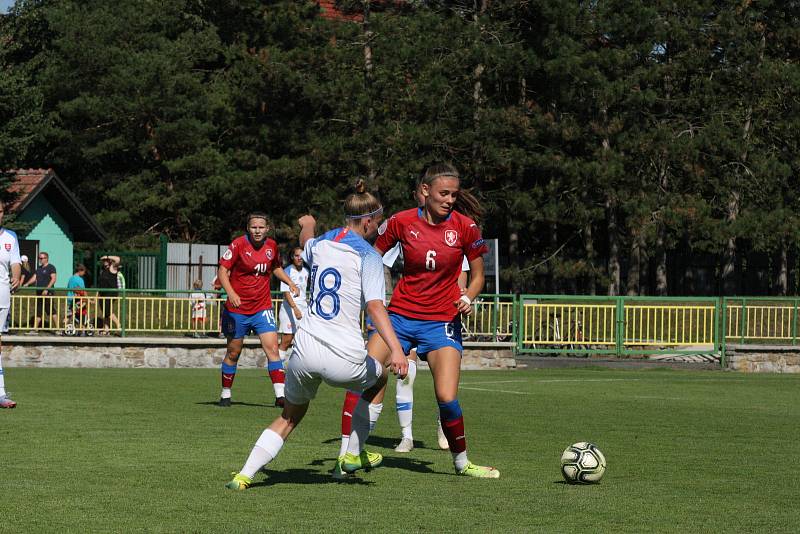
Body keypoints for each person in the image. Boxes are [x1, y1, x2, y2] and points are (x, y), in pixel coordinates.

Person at [225, 181, 408, 490]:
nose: (378, 228)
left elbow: (306, 238)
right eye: (377, 223)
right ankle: (352, 454)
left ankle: (244, 475)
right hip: (344, 359)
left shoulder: (321, 243)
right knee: (379, 380)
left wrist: (307, 224)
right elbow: (376, 308)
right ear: (367, 221)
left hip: (304, 353)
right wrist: (397, 351)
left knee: (289, 417)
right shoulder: (370, 257)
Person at [339, 162, 499, 478]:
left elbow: (478, 275)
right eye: (444, 193)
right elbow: (371, 255)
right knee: (365, 377)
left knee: (446, 397)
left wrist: (467, 297)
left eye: (454, 194)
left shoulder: (466, 228)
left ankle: (461, 463)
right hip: (398, 317)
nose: (450, 199)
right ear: (425, 191)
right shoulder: (401, 222)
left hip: (441, 322)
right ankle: (348, 456)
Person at [217, 212, 299, 408]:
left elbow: (275, 267)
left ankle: (280, 397)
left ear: (267, 229)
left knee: (272, 349)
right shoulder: (237, 244)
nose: (257, 231)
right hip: (237, 309)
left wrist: (290, 282)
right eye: (254, 227)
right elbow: (222, 270)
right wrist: (231, 293)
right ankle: (226, 393)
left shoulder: (271, 246)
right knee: (233, 352)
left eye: (261, 227)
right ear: (248, 228)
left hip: (262, 307)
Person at [0, 200, 21, 408]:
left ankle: (0, 393)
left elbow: (15, 264)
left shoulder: (10, 237)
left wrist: (17, 276)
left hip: (3, 295)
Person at [277, 247, 309, 361]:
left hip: (303, 309)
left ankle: (297, 367)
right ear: (292, 257)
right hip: (289, 309)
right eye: (296, 255)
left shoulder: (307, 271)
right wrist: (295, 308)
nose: (299, 258)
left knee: (303, 339)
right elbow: (286, 292)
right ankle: (277, 367)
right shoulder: (287, 271)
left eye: (301, 256)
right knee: (287, 339)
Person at [24, 251, 57, 332]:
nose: (40, 260)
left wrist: (47, 289)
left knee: (51, 311)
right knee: (39, 310)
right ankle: (35, 329)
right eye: (39, 258)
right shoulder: (38, 268)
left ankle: (58, 329)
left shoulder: (51, 267)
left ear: (46, 258)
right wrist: (27, 284)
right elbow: (34, 278)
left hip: (48, 293)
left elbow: (53, 279)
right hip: (39, 293)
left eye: (42, 258)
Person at [97, 256, 121, 334]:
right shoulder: (103, 270)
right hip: (102, 293)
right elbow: (100, 284)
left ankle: (118, 325)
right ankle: (106, 329)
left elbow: (118, 259)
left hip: (110, 293)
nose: (105, 261)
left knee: (107, 311)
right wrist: (97, 294)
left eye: (106, 260)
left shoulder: (112, 268)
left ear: (110, 261)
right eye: (104, 260)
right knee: (105, 311)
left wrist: (107, 256)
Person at [66, 264, 89, 334]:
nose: (84, 273)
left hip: (70, 299)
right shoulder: (80, 280)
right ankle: (82, 331)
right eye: (84, 272)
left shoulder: (71, 278)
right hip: (78, 300)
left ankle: (66, 328)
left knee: (69, 315)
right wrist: (88, 299)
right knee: (80, 316)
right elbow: (83, 291)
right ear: (80, 271)